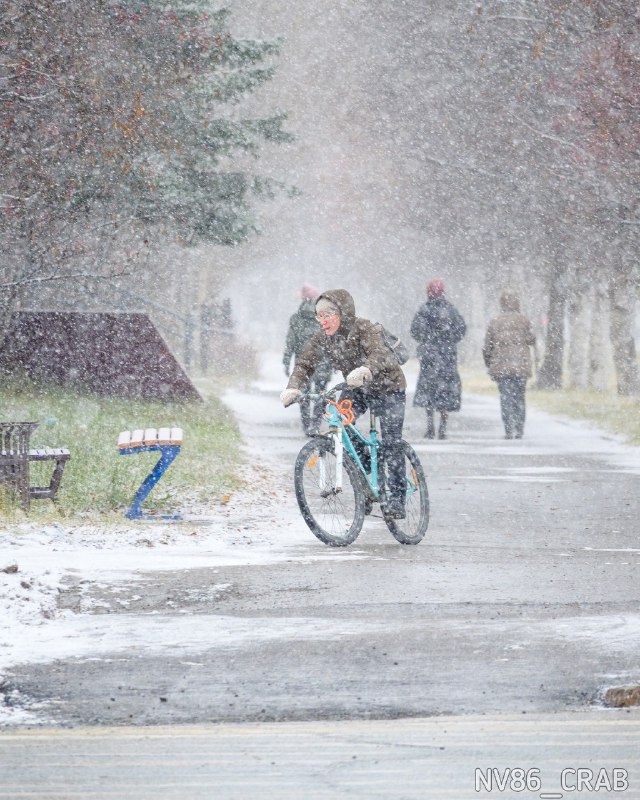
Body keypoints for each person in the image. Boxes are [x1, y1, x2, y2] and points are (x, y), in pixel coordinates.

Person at [280, 288, 408, 519]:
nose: (323, 321)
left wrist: (366, 369)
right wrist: (293, 386)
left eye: (328, 314)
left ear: (342, 313)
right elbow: (305, 363)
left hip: (388, 387)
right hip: (358, 389)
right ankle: (369, 476)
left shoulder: (364, 328)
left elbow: (378, 354)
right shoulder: (323, 338)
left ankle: (398, 499)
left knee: (391, 442)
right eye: (319, 316)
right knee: (340, 424)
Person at [410, 279, 466, 440]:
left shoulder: (424, 310)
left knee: (429, 389)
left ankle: (430, 427)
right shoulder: (451, 310)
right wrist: (449, 340)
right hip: (447, 356)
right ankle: (442, 427)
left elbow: (415, 331)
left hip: (429, 357)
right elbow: (461, 329)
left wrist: (427, 339)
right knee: (445, 390)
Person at [483, 288, 536, 439]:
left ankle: (508, 429)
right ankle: (519, 429)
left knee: (505, 397)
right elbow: (531, 340)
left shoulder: (495, 322)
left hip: (502, 367)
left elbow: (487, 346)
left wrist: (489, 363)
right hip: (520, 365)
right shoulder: (524, 320)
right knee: (519, 397)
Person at [282, 283, 332, 436]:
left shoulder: (296, 319)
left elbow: (290, 342)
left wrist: (286, 361)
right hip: (323, 362)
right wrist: (335, 362)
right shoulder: (325, 318)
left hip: (303, 363)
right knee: (321, 394)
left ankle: (306, 425)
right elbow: (332, 341)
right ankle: (315, 425)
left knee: (303, 394)